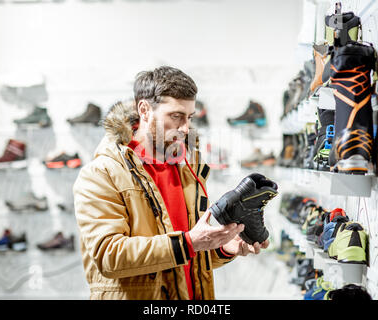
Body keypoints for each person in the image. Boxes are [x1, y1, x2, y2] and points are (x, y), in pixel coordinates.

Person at [73, 66, 269, 300]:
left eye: (189, 117)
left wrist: (223, 249)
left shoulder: (187, 169)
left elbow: (184, 257)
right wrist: (189, 243)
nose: (185, 128)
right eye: (176, 116)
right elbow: (109, 257)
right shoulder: (102, 172)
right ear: (144, 110)